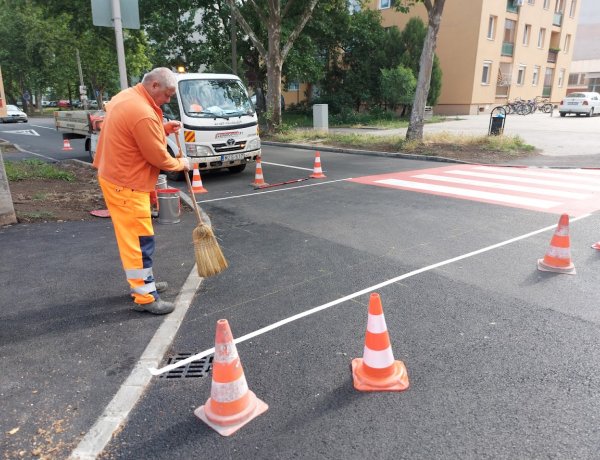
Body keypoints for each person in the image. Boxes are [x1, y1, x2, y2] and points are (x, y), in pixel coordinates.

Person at [93, 67, 191, 315]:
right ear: (155, 85)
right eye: (167, 95)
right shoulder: (143, 113)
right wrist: (182, 164)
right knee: (139, 241)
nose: (168, 100)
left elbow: (134, 132)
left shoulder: (126, 97)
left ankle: (144, 284)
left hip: (116, 177)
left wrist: (163, 128)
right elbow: (159, 157)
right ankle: (145, 297)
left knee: (134, 239)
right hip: (127, 184)